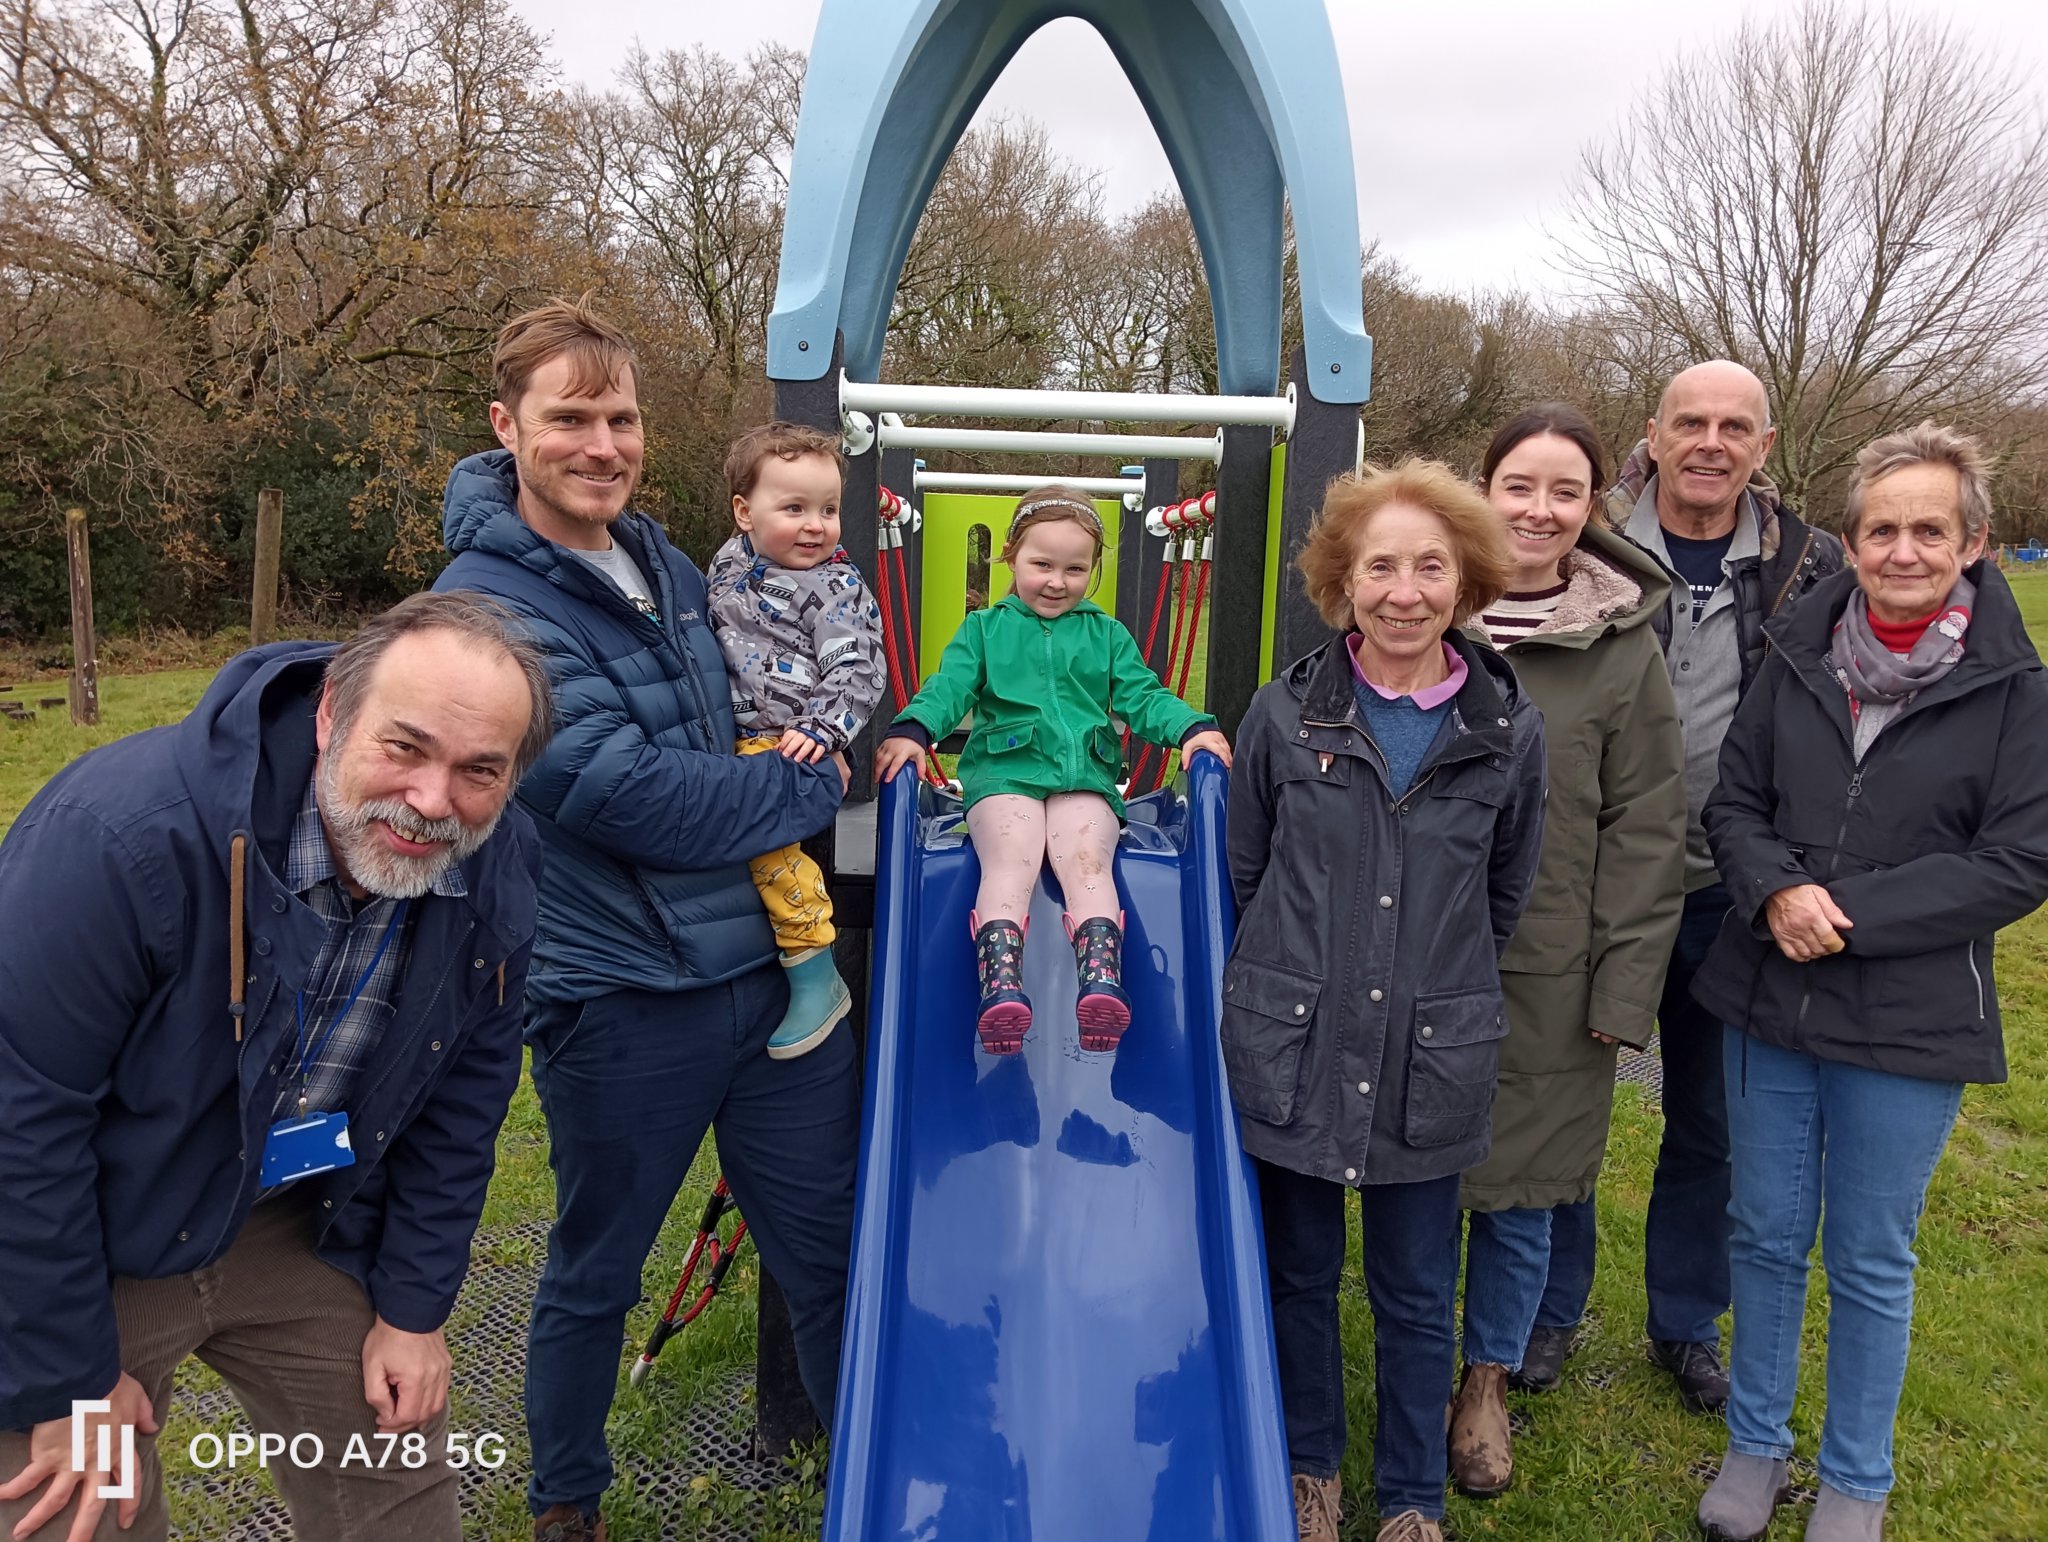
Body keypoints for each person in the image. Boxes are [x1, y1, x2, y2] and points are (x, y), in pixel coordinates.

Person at [433, 298, 857, 1542]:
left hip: (766, 984)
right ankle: (567, 1498)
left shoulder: (667, 564)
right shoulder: (489, 607)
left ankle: (865, 1475)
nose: (601, 443)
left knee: (828, 1254)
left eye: (619, 417)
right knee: (596, 1268)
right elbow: (619, 793)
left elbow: (754, 700)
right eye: (569, 417)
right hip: (620, 994)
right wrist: (810, 777)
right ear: (507, 426)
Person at [0, 592, 551, 1542]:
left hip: (293, 1222)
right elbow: (19, 1122)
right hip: (85, 1228)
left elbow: (462, 1109)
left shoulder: (497, 867)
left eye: (480, 771)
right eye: (405, 747)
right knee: (73, 1508)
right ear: (331, 711)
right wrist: (65, 1382)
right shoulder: (121, 839)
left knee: (397, 1475)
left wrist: (414, 1314)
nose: (431, 802)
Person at [1690, 424, 2048, 1542]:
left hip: (1908, 1014)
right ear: (1847, 542)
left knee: (1868, 1253)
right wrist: (1772, 893)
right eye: (1880, 529)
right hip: (1767, 997)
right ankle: (1754, 1447)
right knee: (1760, 1230)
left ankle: (1854, 1477)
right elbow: (1732, 804)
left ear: (1973, 543)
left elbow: (2018, 857)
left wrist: (1839, 917)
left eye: (1927, 529)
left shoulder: (2014, 691)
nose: (1901, 549)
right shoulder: (1793, 652)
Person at [1222, 461, 1546, 1542]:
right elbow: (1244, 874)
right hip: (1295, 1048)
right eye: (1378, 567)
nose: (1402, 591)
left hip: (1428, 1051)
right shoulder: (1282, 713)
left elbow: (1501, 890)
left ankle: (1409, 1495)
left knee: (1415, 1289)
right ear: (1340, 582)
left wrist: (1435, 978)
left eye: (1429, 566)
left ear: (1464, 584)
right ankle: (1310, 1468)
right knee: (1297, 1276)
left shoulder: (1506, 730)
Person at [1534, 360, 1843, 1412]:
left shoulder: (1812, 565)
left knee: (1706, 1117)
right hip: (1590, 883)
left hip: (1734, 888)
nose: (1709, 442)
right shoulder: (1585, 545)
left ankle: (1682, 1322)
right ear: (1651, 437)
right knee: (1565, 1098)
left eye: (1734, 426)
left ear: (1763, 446)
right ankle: (1544, 1308)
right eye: (1689, 423)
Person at [1448, 405, 1688, 1497]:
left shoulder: (1619, 650)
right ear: (1481, 488)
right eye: (1518, 486)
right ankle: (1409, 1359)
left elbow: (1646, 827)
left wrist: (1623, 983)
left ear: (1592, 507)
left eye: (1564, 492)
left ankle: (1484, 1381)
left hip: (1546, 964)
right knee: (1410, 1180)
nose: (1538, 511)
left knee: (1522, 1187)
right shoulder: (1414, 605)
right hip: (1409, 952)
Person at [874, 485, 1232, 1053]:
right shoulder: (985, 630)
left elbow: (1142, 695)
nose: (1056, 581)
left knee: (1089, 862)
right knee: (1011, 859)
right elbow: (949, 688)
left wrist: (1189, 726)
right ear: (1011, 556)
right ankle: (1002, 988)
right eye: (1041, 564)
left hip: (1082, 779)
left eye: (1074, 569)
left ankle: (1101, 984)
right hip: (1004, 775)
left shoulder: (1106, 635)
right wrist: (916, 727)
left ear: (1091, 572)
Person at [707, 420, 888, 1059]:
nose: (817, 525)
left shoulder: (835, 588)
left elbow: (860, 669)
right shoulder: (728, 567)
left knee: (767, 851)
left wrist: (821, 729)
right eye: (795, 508)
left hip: (786, 739)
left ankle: (813, 962)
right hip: (732, 734)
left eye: (830, 509)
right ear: (743, 513)